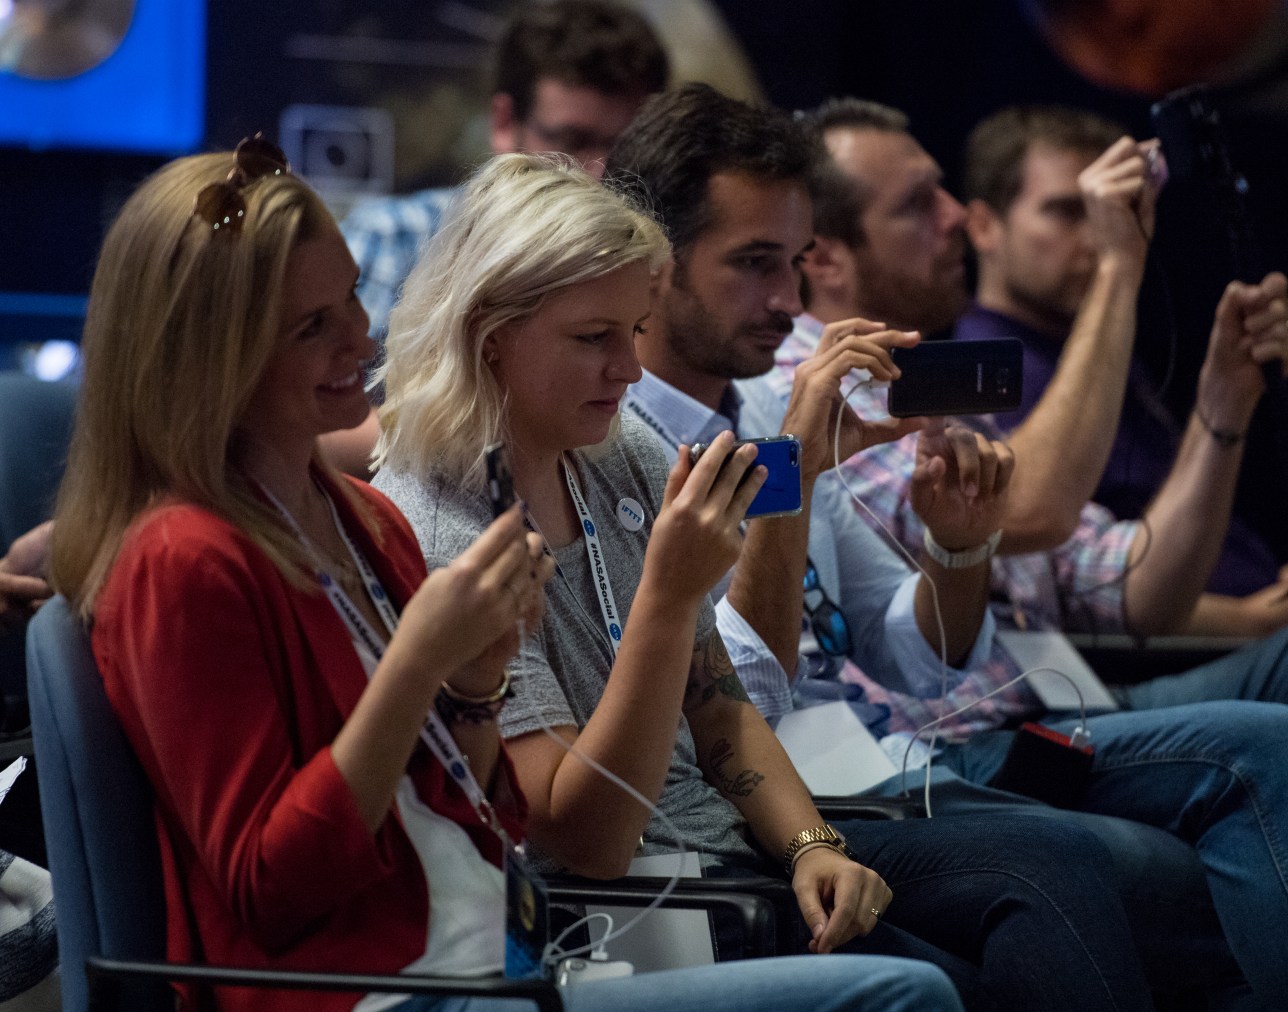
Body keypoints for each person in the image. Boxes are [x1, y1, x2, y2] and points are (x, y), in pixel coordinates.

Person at [45, 137, 962, 1012]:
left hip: (496, 948)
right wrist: (423, 667)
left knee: (968, 954)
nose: (363, 342)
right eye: (313, 326)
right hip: (382, 990)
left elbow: (482, 806)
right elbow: (276, 891)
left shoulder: (353, 520)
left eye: (358, 300)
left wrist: (475, 690)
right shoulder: (190, 559)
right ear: (214, 355)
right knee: (909, 990)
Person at [605, 81, 1288, 1009]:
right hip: (776, 805)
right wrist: (790, 470)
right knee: (1096, 855)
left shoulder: (758, 405)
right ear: (653, 262)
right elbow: (737, 701)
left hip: (890, 761)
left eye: (794, 262)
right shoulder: (628, 440)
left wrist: (960, 551)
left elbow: (917, 654)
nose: (788, 300)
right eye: (755, 263)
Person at [788, 95, 1288, 1012]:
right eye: (918, 205)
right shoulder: (815, 389)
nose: (954, 219)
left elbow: (1143, 590)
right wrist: (1120, 268)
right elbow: (1036, 508)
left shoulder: (930, 378)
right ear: (820, 256)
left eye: (947, 193)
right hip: (976, 737)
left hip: (1073, 691)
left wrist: (1223, 409)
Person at [372, 150, 1160, 1011]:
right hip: (619, 910)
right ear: (492, 338)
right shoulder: (434, 527)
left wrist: (813, 845)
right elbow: (590, 839)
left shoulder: (615, 445)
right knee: (950, 982)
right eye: (593, 339)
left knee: (1049, 885)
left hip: (736, 855)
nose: (629, 370)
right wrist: (671, 602)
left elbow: (723, 709)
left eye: (631, 333)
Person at [961, 103, 1288, 629]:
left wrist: (1228, 395)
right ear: (984, 226)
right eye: (1066, 211)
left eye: (1108, 212)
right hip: (1174, 646)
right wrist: (1247, 620)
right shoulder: (982, 373)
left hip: (1244, 605)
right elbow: (1060, 587)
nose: (1097, 238)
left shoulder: (1088, 343)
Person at [327, 0, 670, 475]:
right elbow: (295, 426)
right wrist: (490, 427)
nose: (598, 173)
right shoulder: (391, 239)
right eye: (571, 141)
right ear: (505, 122)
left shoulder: (658, 260)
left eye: (622, 147)